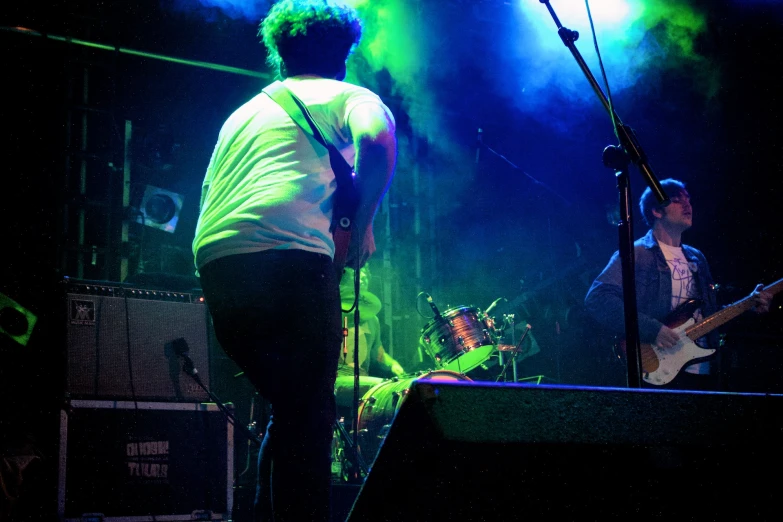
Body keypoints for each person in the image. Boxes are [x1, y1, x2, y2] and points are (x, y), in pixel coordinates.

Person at [192, 1, 397, 520]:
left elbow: (210, 193)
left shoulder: (241, 115)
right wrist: (363, 222)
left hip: (219, 269)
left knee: (292, 409)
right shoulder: (348, 95)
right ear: (345, 53)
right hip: (289, 263)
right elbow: (377, 139)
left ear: (279, 53)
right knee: (308, 415)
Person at [584, 179, 772, 391]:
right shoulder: (637, 253)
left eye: (688, 199)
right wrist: (652, 329)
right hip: (658, 370)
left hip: (702, 369)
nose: (687, 205)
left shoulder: (697, 258)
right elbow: (598, 298)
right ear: (656, 211)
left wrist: (749, 306)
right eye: (676, 200)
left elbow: (709, 316)